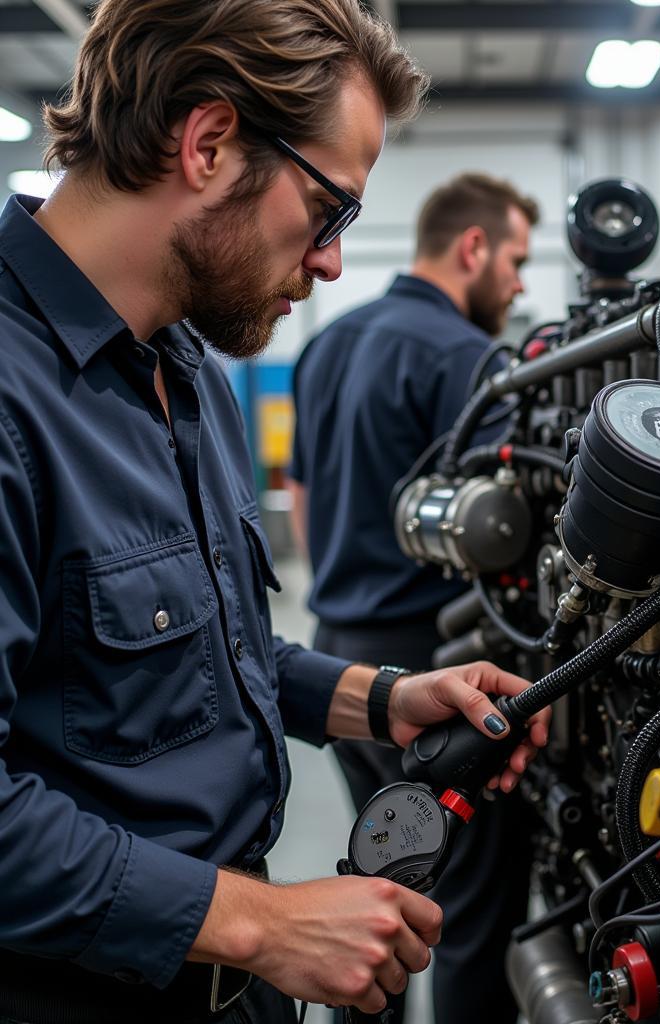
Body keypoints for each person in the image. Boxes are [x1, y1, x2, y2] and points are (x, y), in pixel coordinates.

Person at [0, 3, 550, 1024]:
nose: (335, 260)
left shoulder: (187, 367)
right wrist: (266, 924)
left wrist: (384, 697)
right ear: (208, 144)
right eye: (329, 207)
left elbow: (218, 649)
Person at [287, 175, 539, 1024]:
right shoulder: (468, 359)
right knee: (465, 905)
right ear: (473, 248)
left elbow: (302, 490)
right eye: (514, 260)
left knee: (382, 883)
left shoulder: (329, 340)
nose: (518, 285)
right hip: (431, 667)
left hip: (337, 651)